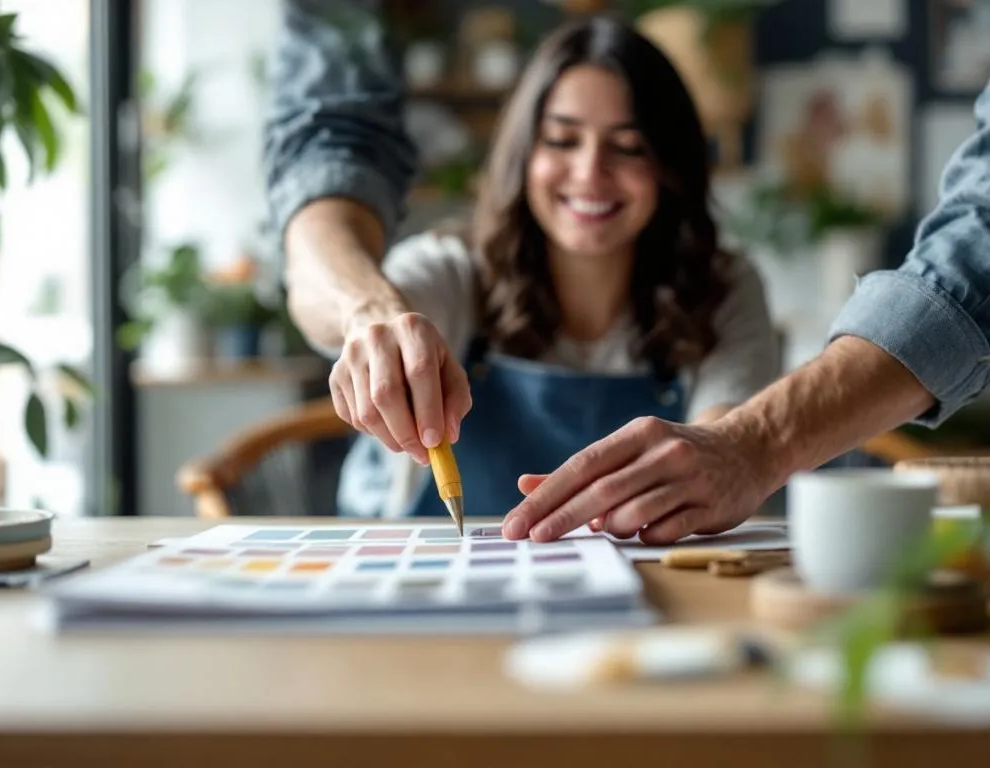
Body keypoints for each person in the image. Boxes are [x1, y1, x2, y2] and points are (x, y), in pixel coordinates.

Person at [269, 11, 780, 519]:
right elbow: (316, 288)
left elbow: (720, 450)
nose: (589, 173)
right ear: (523, 152)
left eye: (628, 147)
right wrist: (368, 315)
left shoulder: (726, 289)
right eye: (561, 140)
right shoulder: (452, 270)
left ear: (671, 166)